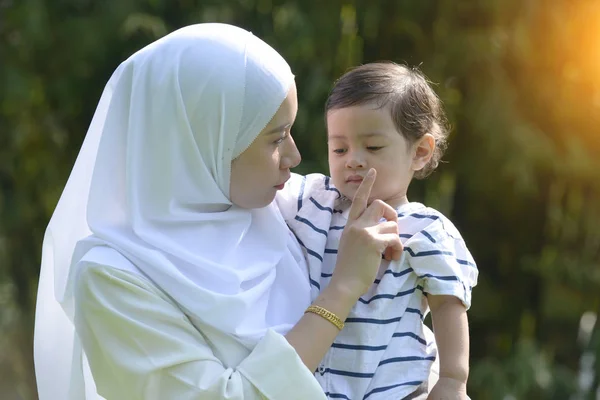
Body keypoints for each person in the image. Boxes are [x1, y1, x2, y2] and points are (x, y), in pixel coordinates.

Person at [33, 24, 405, 399]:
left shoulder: (286, 204)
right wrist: (341, 290)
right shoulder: (113, 278)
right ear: (205, 141)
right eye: (276, 138)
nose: (294, 156)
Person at [277, 62, 479, 399]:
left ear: (420, 152)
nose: (353, 159)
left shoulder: (423, 229)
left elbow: (448, 304)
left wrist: (453, 380)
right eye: (339, 149)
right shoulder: (314, 201)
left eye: (372, 147)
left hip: (392, 391)